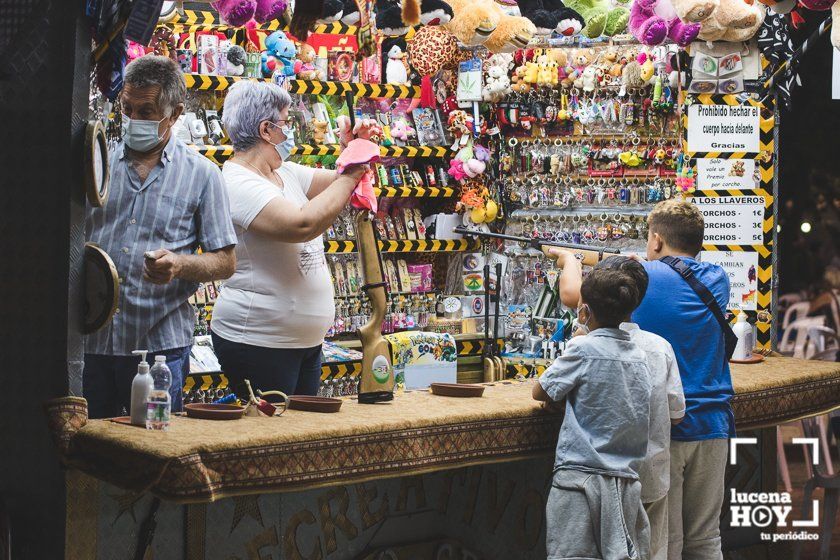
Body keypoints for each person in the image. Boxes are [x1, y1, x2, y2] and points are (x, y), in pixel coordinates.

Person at [85, 55, 237, 419]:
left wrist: (180, 264)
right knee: (88, 448)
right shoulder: (97, 163)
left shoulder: (202, 175)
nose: (134, 119)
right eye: (128, 108)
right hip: (92, 341)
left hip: (159, 352)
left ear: (176, 113)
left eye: (147, 111)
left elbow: (226, 261)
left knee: (154, 446)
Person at [211, 81, 374, 397]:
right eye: (286, 123)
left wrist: (352, 151)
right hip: (259, 340)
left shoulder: (282, 172)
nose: (292, 133)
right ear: (266, 130)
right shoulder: (237, 183)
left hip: (303, 341)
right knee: (271, 439)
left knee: (300, 437)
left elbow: (341, 185)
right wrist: (353, 172)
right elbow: (302, 225)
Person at [552, 252, 685, 560]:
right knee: (651, 552)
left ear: (587, 309)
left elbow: (549, 391)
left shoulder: (583, 347)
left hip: (594, 479)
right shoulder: (659, 347)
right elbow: (677, 414)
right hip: (649, 475)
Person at [533, 265, 652, 560]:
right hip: (625, 482)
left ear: (583, 313)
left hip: (579, 482)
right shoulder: (640, 356)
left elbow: (540, 391)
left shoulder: (583, 350)